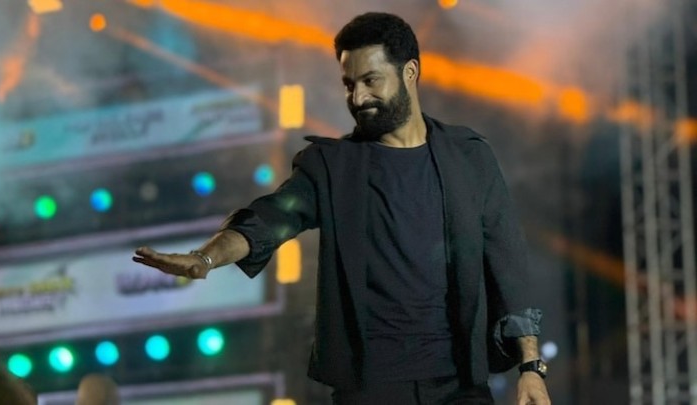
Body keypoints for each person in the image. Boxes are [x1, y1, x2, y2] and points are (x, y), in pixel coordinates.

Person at [133, 12, 550, 405]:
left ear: (410, 72)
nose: (358, 97)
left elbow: (507, 265)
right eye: (349, 85)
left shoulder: (469, 156)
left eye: (371, 80)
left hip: (461, 385)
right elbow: (270, 218)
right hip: (371, 388)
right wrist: (206, 257)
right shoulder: (333, 167)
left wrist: (530, 367)